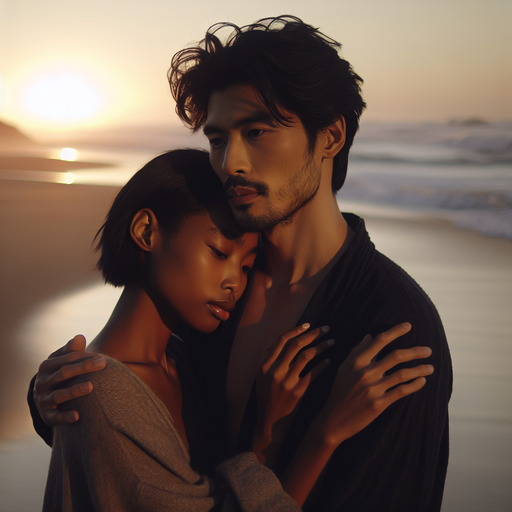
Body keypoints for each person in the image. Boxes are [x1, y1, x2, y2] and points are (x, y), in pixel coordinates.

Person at [30, 16, 452, 512]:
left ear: (331, 137)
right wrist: (54, 398)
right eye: (216, 139)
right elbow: (142, 441)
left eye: (256, 131)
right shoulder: (213, 298)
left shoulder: (391, 323)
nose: (230, 162)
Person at [41, 149, 433, 511]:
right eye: (218, 253)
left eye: (246, 266)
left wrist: (264, 430)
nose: (235, 283)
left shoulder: (181, 362)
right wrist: (324, 434)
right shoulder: (98, 391)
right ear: (146, 231)